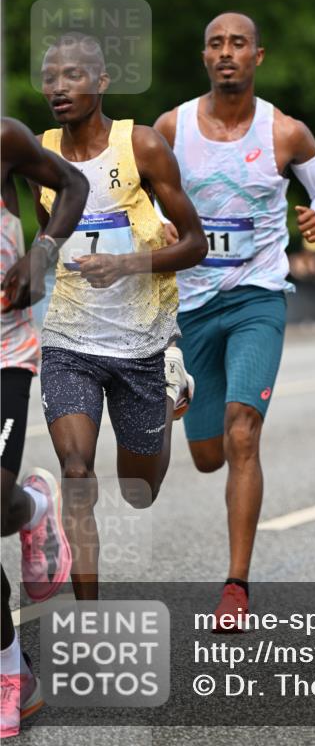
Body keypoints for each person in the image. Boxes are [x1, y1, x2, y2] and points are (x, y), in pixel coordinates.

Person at [154, 11, 315, 626]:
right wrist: (150, 228)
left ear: (258, 56)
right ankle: (187, 390)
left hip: (259, 295)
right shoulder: (171, 128)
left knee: (243, 433)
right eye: (215, 44)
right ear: (204, 57)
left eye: (238, 44)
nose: (226, 52)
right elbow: (141, 199)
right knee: (208, 454)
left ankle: (236, 584)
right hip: (193, 303)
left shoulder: (284, 132)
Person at [32, 32, 207, 600]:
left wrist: (130, 262)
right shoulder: (39, 154)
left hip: (140, 343)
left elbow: (197, 244)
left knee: (139, 490)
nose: (59, 87)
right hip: (67, 340)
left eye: (73, 75)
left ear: (102, 82)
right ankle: (88, 618)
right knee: (77, 473)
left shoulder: (145, 147)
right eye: (51, 77)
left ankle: (168, 388)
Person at [1, 116, 89, 738]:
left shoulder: (3, 138)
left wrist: (41, 252)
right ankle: (30, 509)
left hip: (5, 346)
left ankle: (9, 672)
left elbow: (74, 185)